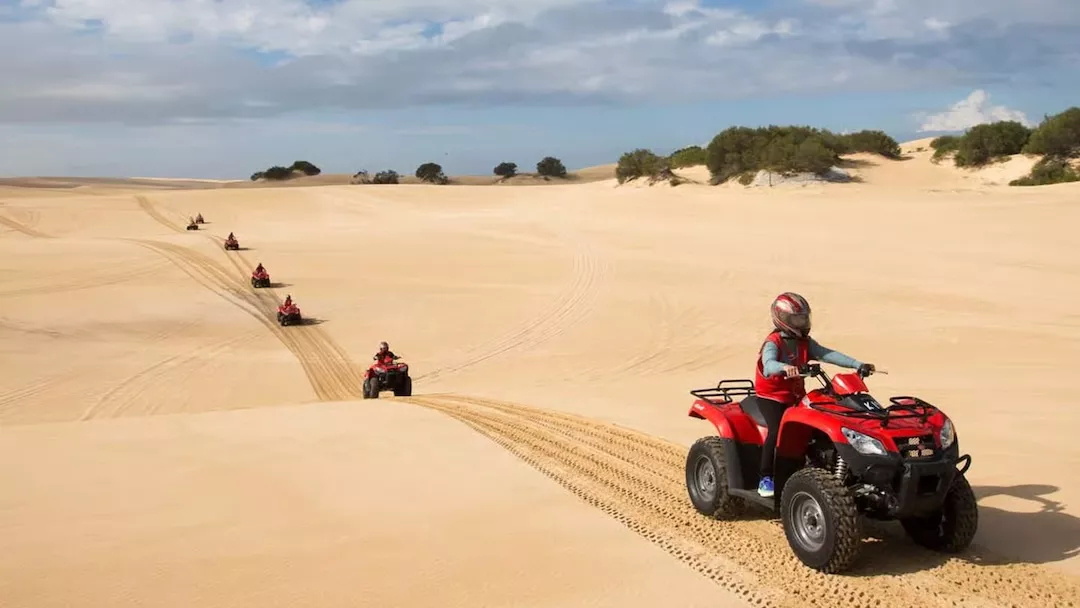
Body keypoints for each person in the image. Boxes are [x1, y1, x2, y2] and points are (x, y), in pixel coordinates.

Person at [753, 292, 874, 497]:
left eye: (804, 318)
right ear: (782, 319)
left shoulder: (805, 342)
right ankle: (766, 477)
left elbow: (828, 354)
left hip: (797, 396)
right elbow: (768, 365)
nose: (802, 323)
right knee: (776, 431)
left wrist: (857, 364)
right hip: (772, 397)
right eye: (796, 319)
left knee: (822, 424)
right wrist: (785, 368)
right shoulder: (773, 342)